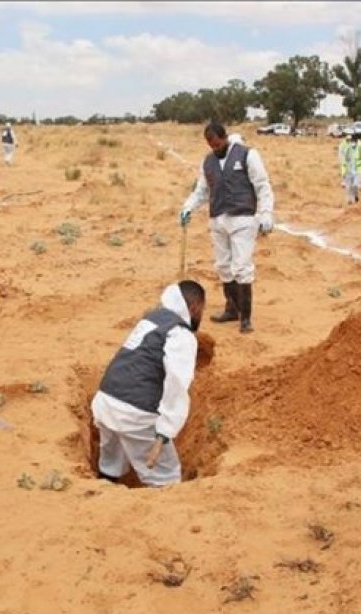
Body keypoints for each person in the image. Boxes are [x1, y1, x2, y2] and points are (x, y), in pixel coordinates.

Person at [91, 281, 206, 487]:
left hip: (104, 402)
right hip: (134, 415)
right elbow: (177, 383)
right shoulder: (180, 334)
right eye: (201, 310)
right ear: (194, 307)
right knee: (166, 477)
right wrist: (166, 429)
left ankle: (102, 495)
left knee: (111, 461)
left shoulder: (150, 320)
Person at [179, 122, 274, 334]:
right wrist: (187, 207)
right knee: (223, 266)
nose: (215, 148)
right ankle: (231, 308)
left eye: (217, 144)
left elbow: (262, 185)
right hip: (218, 220)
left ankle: (246, 318)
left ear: (225, 138)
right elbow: (202, 191)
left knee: (241, 267)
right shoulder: (208, 162)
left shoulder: (248, 155)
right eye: (211, 146)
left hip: (243, 219)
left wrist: (266, 212)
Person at [340, 134, 361, 204]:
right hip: (349, 170)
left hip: (358, 171)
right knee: (348, 187)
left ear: (356, 141)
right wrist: (343, 172)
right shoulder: (347, 148)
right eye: (351, 141)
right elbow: (344, 161)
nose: (352, 142)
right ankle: (350, 200)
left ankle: (356, 195)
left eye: (353, 141)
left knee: (355, 185)